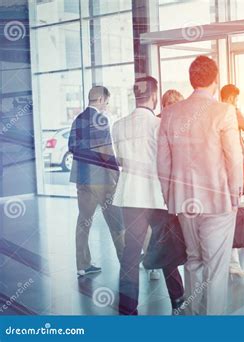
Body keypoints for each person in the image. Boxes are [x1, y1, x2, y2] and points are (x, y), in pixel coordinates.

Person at [157, 56, 243, 315]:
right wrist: (235, 193)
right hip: (217, 200)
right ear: (215, 80)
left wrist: (168, 195)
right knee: (216, 267)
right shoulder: (223, 111)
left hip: (184, 201)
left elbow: (163, 162)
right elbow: (234, 157)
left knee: (193, 260)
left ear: (192, 80)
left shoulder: (171, 113)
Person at [114, 78, 184, 315]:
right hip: (156, 197)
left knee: (130, 253)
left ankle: (127, 309)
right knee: (166, 249)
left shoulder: (118, 125)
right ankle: (177, 301)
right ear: (154, 96)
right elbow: (168, 161)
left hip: (130, 197)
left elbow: (122, 161)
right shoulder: (159, 125)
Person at [68, 86, 124, 277]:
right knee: (116, 221)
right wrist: (117, 175)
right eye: (107, 102)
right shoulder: (101, 119)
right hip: (102, 180)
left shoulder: (78, 119)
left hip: (83, 179)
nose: (107, 106)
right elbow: (106, 152)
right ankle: (126, 261)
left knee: (83, 221)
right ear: (100, 100)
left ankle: (82, 265)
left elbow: (72, 147)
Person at [143, 89, 185, 282]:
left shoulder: (181, 123)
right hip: (158, 181)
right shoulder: (158, 123)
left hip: (174, 182)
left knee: (171, 224)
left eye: (176, 104)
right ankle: (155, 261)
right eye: (169, 104)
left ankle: (167, 259)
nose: (173, 108)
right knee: (160, 225)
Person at [220, 84, 244, 278]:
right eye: (236, 98)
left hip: (218, 170)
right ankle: (232, 262)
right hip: (232, 169)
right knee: (232, 210)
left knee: (224, 213)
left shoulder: (214, 111)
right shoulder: (231, 111)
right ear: (232, 97)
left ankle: (228, 260)